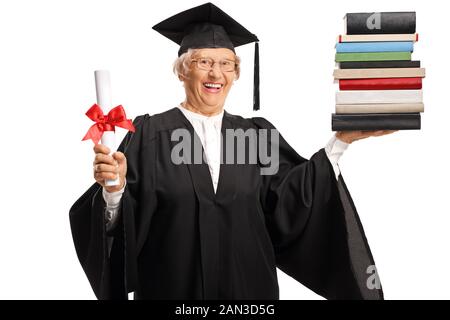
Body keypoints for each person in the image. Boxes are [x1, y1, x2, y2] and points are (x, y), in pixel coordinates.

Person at [70, 2, 393, 300]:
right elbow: (121, 223)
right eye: (204, 62)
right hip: (171, 289)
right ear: (183, 70)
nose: (216, 74)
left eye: (227, 64)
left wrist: (340, 142)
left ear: (236, 74)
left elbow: (294, 198)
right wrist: (115, 190)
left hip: (249, 292)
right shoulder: (148, 133)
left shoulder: (255, 134)